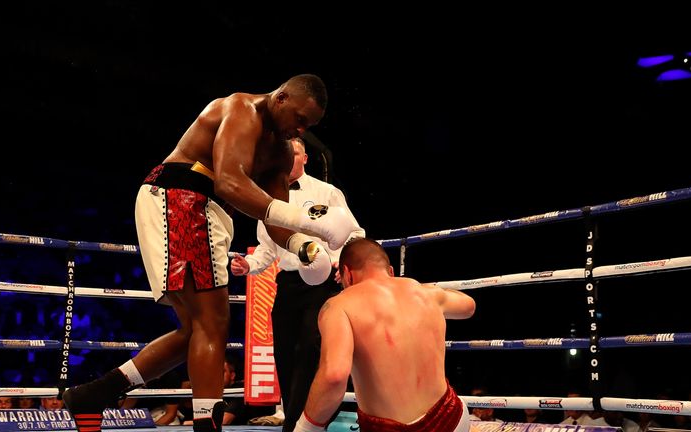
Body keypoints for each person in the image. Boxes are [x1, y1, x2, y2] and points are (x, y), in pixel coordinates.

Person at [63, 74, 359, 432]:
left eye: (308, 126)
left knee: (196, 329)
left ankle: (95, 394)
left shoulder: (280, 152)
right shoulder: (241, 109)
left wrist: (302, 244)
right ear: (280, 98)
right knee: (213, 322)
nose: (299, 130)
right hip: (182, 198)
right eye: (298, 119)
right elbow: (229, 182)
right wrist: (308, 219)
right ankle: (207, 427)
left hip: (206, 211)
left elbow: (274, 216)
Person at [230, 136, 364, 432]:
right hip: (288, 283)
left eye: (295, 153)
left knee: (309, 349)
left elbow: (353, 232)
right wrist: (248, 265)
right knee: (284, 352)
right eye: (284, 153)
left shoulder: (327, 191)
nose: (289, 157)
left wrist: (342, 263)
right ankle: (299, 420)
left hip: (322, 281)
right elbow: (266, 249)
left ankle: (295, 424)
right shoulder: (268, 198)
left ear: (305, 158)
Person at [294, 238, 476, 432]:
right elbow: (469, 306)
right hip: (452, 419)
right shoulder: (428, 294)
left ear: (347, 274)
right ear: (390, 271)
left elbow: (335, 376)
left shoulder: (339, 306)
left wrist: (305, 427)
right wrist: (421, 289)